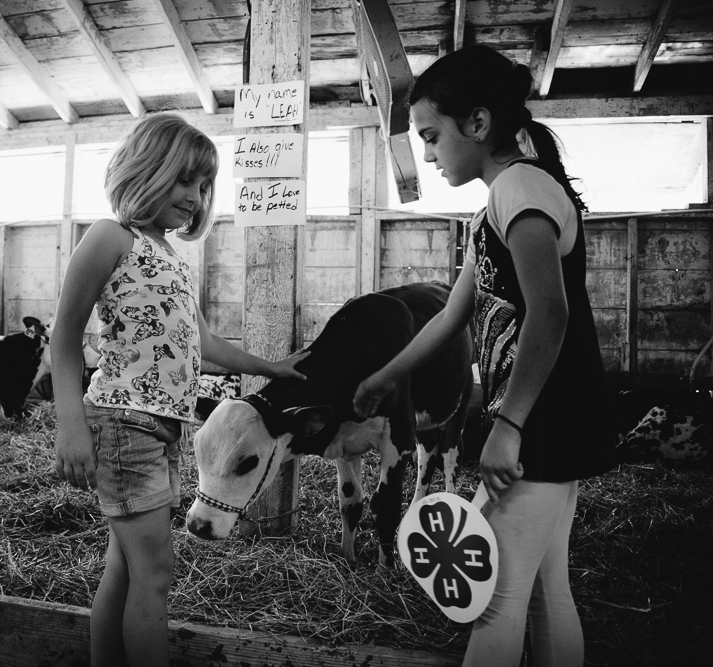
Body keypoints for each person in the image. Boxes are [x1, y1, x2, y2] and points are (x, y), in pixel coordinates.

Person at [352, 46, 616, 667]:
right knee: (547, 590)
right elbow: (453, 313)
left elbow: (550, 316)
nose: (429, 153)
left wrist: (509, 423)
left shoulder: (521, 188)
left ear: (477, 124)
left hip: (541, 419)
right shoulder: (492, 208)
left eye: (433, 136)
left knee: (493, 599)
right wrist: (386, 375)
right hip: (551, 416)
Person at [51, 111, 307, 667]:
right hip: (122, 422)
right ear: (146, 168)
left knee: (124, 569)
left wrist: (274, 366)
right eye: (184, 179)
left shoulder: (171, 256)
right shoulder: (109, 236)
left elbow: (205, 342)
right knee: (156, 573)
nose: (195, 196)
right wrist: (69, 423)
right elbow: (64, 333)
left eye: (203, 185)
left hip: (163, 429)